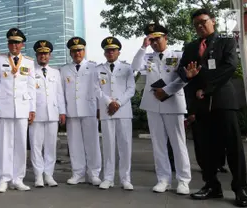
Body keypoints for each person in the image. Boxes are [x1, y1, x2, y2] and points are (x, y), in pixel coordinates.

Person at [177, 8, 247, 207]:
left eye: (203, 21)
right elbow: (182, 71)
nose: (200, 26)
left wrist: (206, 88)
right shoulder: (191, 47)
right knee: (204, 148)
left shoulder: (225, 41)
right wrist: (188, 77)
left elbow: (229, 67)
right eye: (196, 24)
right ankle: (212, 186)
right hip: (200, 105)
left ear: (213, 21)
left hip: (222, 101)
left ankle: (240, 188)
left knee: (233, 147)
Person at [131, 23, 191, 195]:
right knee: (158, 144)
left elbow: (184, 77)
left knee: (178, 144)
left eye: (157, 38)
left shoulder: (178, 55)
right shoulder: (148, 57)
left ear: (166, 38)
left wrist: (166, 91)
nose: (155, 42)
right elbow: (135, 67)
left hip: (173, 103)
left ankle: (183, 180)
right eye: (152, 39)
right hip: (153, 105)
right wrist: (143, 47)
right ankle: (163, 179)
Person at [0, 28, 36, 192]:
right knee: (4, 143)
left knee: (20, 144)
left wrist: (32, 108)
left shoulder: (29, 62)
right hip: (4, 107)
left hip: (23, 108)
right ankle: (3, 178)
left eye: (17, 42)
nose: (14, 45)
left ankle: (18, 178)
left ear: (22, 44)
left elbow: (32, 88)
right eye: (11, 42)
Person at [59, 37, 102, 186]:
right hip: (72, 111)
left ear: (84, 51)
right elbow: (61, 93)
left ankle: (94, 173)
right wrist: (62, 111)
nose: (77, 53)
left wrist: (99, 108)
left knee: (92, 143)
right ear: (70, 52)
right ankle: (78, 173)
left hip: (89, 110)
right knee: (74, 143)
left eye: (80, 50)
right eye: (74, 50)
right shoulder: (64, 69)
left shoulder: (94, 67)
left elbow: (99, 90)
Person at [95, 37, 135, 190]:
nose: (110, 52)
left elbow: (131, 89)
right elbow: (96, 89)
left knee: (125, 145)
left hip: (123, 111)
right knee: (108, 145)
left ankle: (125, 178)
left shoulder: (127, 68)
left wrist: (117, 103)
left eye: (113, 50)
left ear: (119, 52)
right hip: (107, 112)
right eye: (107, 50)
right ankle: (108, 178)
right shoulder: (97, 69)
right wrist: (108, 102)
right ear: (104, 52)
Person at [29, 40, 66, 187]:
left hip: (52, 113)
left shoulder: (56, 72)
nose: (43, 56)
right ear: (36, 55)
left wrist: (62, 112)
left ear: (50, 55)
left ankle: (49, 174)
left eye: (46, 53)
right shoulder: (30, 71)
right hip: (36, 114)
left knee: (51, 146)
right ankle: (38, 176)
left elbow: (59, 94)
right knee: (36, 146)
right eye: (40, 53)